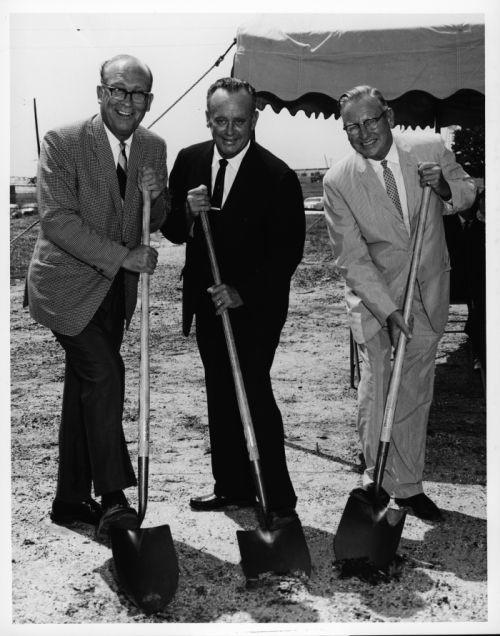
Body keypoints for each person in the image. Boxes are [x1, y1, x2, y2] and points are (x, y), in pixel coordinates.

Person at [24, 54, 168, 540]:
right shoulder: (63, 141)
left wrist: (157, 196)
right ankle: (113, 496)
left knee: (85, 388)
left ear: (149, 99)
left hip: (114, 294)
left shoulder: (153, 146)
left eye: (140, 94)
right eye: (120, 91)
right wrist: (124, 257)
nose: (129, 102)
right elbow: (57, 220)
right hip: (65, 287)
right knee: (105, 372)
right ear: (101, 92)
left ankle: (68, 501)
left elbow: (159, 216)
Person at [323, 85, 476, 522]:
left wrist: (445, 187)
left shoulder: (428, 147)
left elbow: (466, 194)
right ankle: (376, 481)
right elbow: (351, 257)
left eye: (371, 120)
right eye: (351, 126)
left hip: (427, 293)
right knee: (377, 392)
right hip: (377, 302)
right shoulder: (339, 181)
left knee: (414, 392)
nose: (363, 132)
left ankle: (407, 487)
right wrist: (387, 310)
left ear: (388, 115)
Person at [161, 77, 305, 528]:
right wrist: (186, 212)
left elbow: (288, 252)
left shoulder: (277, 175)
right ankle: (231, 487)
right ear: (208, 118)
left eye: (239, 121)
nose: (229, 130)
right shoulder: (189, 161)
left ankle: (277, 496)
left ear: (254, 119)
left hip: (256, 305)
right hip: (207, 301)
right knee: (220, 390)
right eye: (220, 120)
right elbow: (169, 229)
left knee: (253, 389)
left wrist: (242, 289)